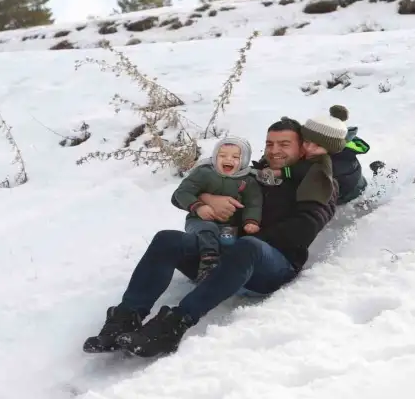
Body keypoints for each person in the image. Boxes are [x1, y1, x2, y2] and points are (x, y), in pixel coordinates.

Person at [82, 117, 339, 358]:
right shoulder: (252, 174)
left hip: (271, 267)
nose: (274, 150)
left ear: (301, 148)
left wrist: (250, 237)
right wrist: (208, 199)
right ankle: (125, 319)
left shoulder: (316, 181)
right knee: (167, 239)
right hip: (226, 258)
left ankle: (174, 325)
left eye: (284, 144)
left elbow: (305, 229)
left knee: (249, 245)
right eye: (269, 144)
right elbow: (183, 194)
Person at [171, 136, 263, 283]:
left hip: (228, 225)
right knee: (207, 233)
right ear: (215, 156)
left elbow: (254, 203)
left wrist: (251, 221)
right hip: (199, 220)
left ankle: (222, 274)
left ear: (244, 160)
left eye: (235, 157)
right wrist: (198, 206)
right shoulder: (204, 173)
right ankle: (207, 265)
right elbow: (182, 192)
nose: (228, 159)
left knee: (229, 244)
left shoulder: (248, 181)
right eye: (222, 155)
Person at [259, 104, 376, 205]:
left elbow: (309, 170)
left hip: (351, 193)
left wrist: (282, 172)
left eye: (318, 146)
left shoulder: (341, 162)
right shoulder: (316, 149)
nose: (310, 148)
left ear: (331, 148)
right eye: (307, 142)